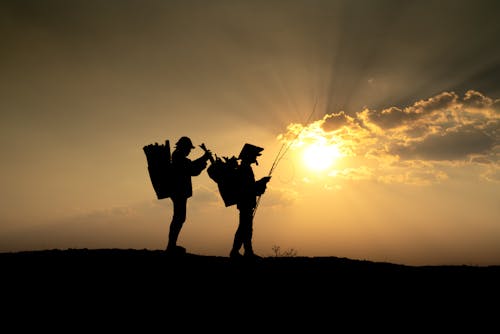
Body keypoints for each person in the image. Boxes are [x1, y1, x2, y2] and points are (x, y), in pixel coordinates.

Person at [166, 136, 212, 255]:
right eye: (189, 148)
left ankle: (171, 245)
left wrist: (203, 159)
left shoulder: (178, 157)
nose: (189, 151)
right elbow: (192, 170)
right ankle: (171, 246)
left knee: (179, 218)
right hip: (179, 191)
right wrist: (204, 159)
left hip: (178, 191)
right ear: (184, 147)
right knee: (179, 218)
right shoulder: (179, 158)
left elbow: (191, 166)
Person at [230, 143, 271, 259]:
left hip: (245, 202)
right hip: (245, 202)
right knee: (245, 227)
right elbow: (248, 188)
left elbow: (249, 187)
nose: (256, 158)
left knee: (245, 227)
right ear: (249, 156)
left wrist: (260, 184)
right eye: (254, 155)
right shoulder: (244, 169)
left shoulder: (244, 168)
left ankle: (245, 252)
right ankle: (241, 252)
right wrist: (262, 182)